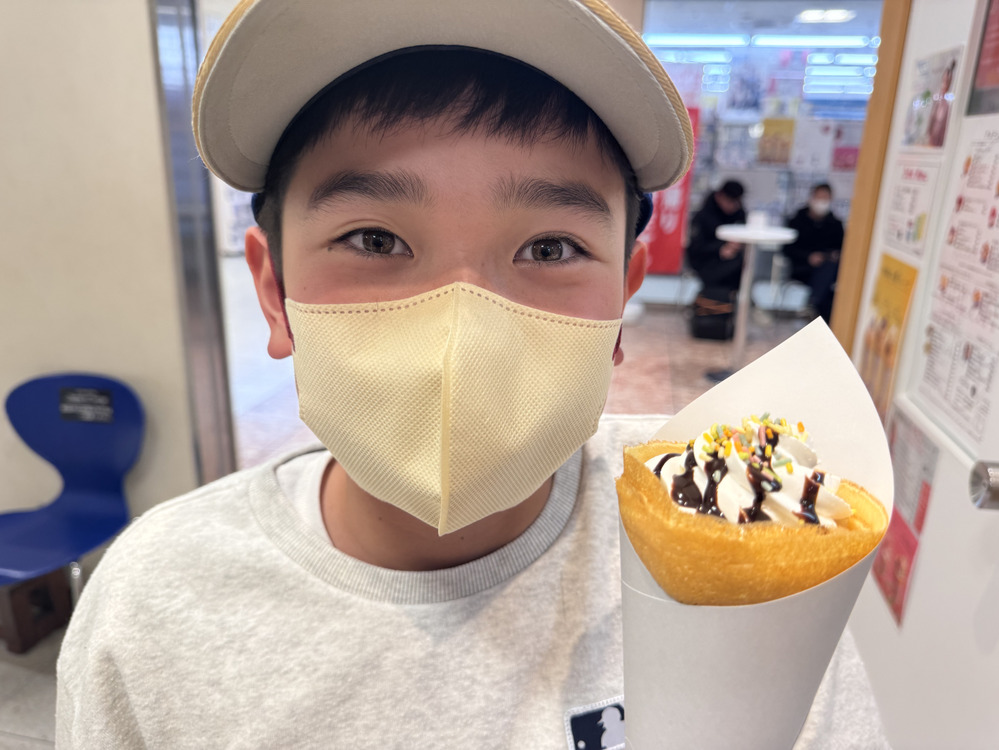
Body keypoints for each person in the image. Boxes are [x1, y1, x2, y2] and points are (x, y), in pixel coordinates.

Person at [55, 1, 890, 747]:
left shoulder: (746, 525)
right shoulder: (155, 607)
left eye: (549, 248)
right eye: (375, 240)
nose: (464, 327)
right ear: (275, 292)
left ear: (621, 300)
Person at [784, 183, 845, 322]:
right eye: (819, 198)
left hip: (828, 269)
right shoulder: (797, 221)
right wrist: (808, 257)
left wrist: (832, 255)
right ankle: (814, 308)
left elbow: (841, 248)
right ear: (811, 198)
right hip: (802, 268)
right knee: (827, 292)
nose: (822, 202)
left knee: (829, 271)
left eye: (826, 198)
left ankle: (813, 307)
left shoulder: (835, 224)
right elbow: (787, 249)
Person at [685, 179, 748, 295]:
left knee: (744, 266)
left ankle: (727, 301)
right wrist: (720, 249)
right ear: (720, 196)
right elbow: (696, 249)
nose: (733, 206)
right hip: (705, 262)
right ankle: (716, 300)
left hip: (732, 259)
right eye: (730, 201)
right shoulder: (703, 217)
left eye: (736, 202)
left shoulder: (739, 214)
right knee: (737, 268)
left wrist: (736, 246)